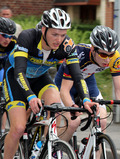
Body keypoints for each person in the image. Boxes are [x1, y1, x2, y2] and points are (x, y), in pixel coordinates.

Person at [2, 8, 99, 159]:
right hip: (16, 78)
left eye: (63, 34)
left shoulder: (67, 46)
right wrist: (30, 96)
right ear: (43, 29)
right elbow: (19, 72)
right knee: (18, 128)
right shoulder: (28, 37)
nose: (58, 39)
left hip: (40, 78)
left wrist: (86, 99)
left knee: (56, 104)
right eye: (54, 34)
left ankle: (45, 144)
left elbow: (78, 75)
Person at [55, 25, 120, 143]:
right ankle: (57, 151)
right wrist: (72, 108)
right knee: (73, 122)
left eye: (111, 54)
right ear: (93, 49)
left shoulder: (115, 57)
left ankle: (92, 149)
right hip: (66, 84)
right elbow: (64, 91)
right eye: (103, 54)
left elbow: (118, 87)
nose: (107, 59)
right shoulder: (78, 54)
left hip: (88, 81)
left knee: (102, 121)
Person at [0, 17, 17, 136]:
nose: (7, 39)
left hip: (4, 67)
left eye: (10, 36)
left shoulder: (14, 43)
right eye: (4, 35)